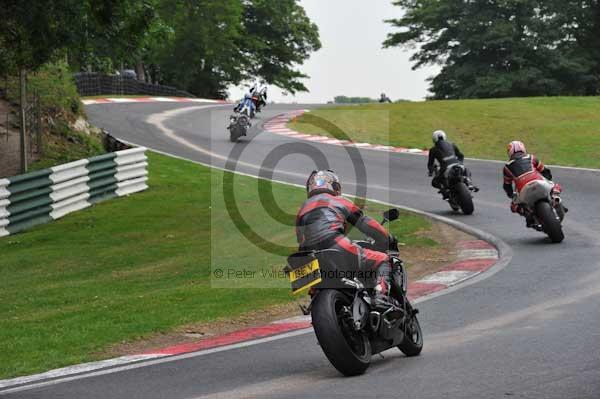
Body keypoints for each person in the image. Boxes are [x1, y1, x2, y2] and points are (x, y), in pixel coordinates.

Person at [296, 170, 396, 303]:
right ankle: (381, 297)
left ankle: (316, 296)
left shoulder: (302, 210)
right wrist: (387, 237)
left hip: (305, 256)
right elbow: (367, 225)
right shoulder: (339, 201)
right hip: (335, 245)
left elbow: (300, 239)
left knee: (314, 287)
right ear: (334, 186)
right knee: (384, 259)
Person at [503, 140, 555, 227]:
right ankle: (555, 198)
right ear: (523, 149)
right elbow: (545, 171)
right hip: (539, 183)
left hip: (524, 189)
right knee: (554, 185)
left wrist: (511, 195)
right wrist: (548, 179)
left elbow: (507, 185)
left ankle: (528, 214)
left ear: (510, 152)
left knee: (513, 206)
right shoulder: (531, 157)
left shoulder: (507, 167)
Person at [427, 130, 476, 199]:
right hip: (458, 164)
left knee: (434, 182)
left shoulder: (433, 149)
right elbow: (461, 155)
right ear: (444, 137)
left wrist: (431, 172)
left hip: (445, 167)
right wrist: (460, 163)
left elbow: (430, 164)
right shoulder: (452, 144)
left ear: (434, 139)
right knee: (466, 169)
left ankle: (445, 191)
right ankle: (469, 182)